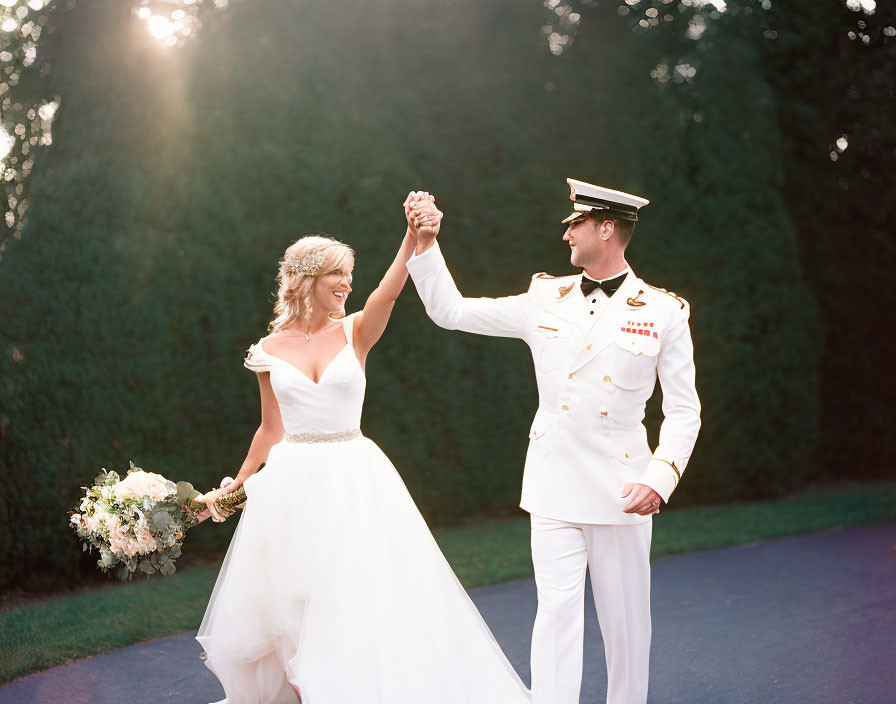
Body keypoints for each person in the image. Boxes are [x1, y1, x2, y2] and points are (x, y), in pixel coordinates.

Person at [194, 196, 531, 704]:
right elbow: (269, 430)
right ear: (307, 279)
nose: (347, 284)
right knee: (292, 606)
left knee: (353, 598)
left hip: (354, 479)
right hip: (291, 487)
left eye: (350, 275)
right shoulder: (268, 351)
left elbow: (388, 291)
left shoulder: (356, 331)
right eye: (338, 275)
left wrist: (414, 239)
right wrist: (235, 485)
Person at [404, 179, 701, 704]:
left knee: (627, 624)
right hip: (554, 482)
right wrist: (425, 243)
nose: (566, 233)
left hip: (623, 488)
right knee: (556, 615)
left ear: (606, 228)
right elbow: (452, 312)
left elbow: (683, 410)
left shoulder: (663, 311)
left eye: (576, 223)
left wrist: (661, 477)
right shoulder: (545, 296)